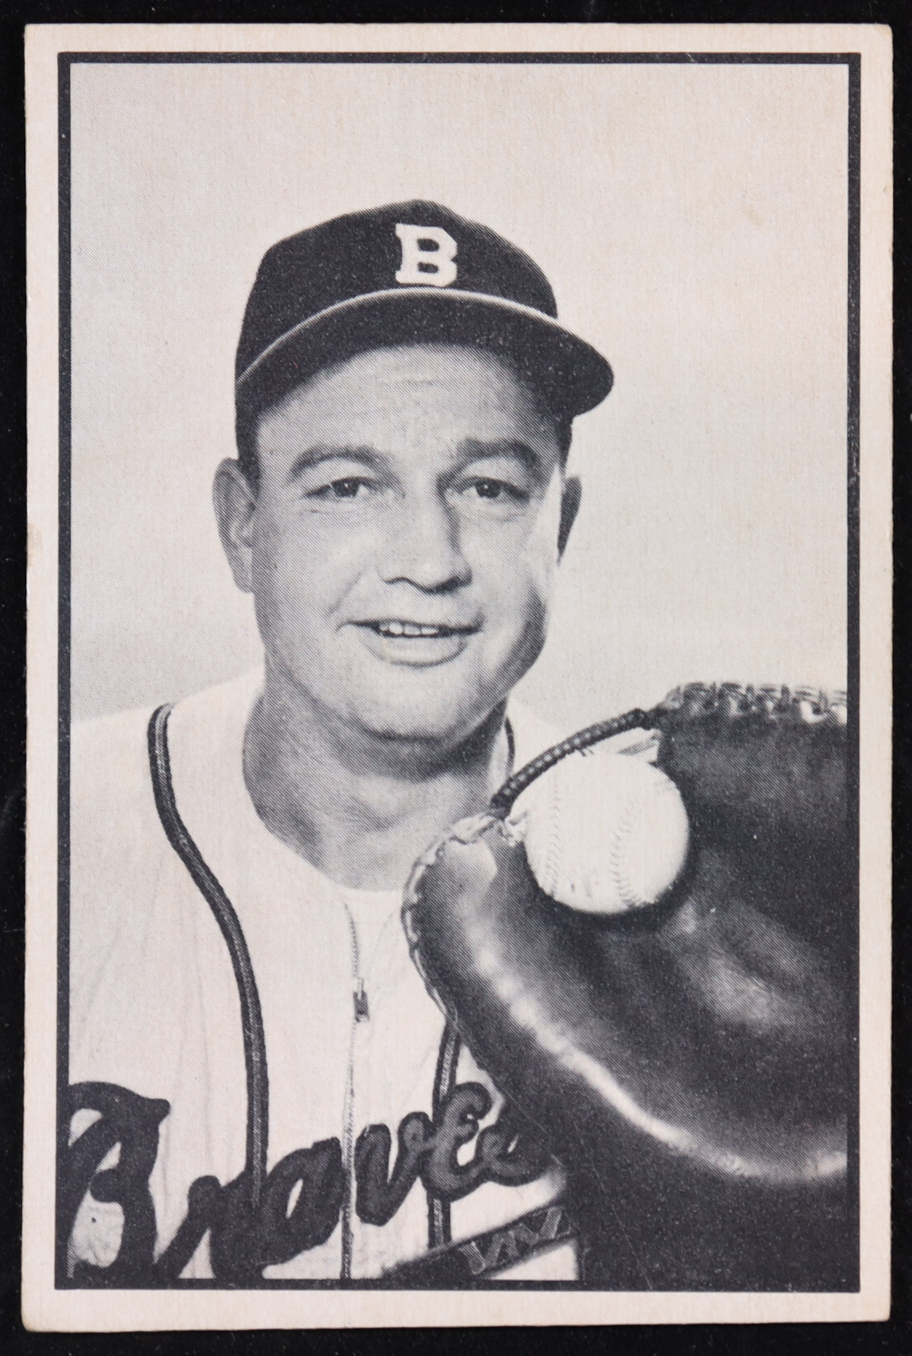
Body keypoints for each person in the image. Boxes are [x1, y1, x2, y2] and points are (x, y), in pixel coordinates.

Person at [65, 201, 645, 1285]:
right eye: (347, 486)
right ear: (243, 525)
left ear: (559, 526)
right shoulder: (53, 840)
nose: (428, 557)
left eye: (488, 487)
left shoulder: (684, 911)